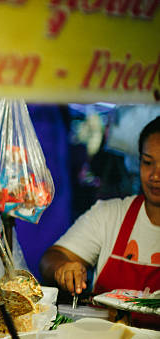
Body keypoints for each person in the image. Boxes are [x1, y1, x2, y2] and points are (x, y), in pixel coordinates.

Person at [40, 116, 160, 299]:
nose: (155, 176)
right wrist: (62, 268)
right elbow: (51, 258)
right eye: (147, 162)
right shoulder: (111, 215)